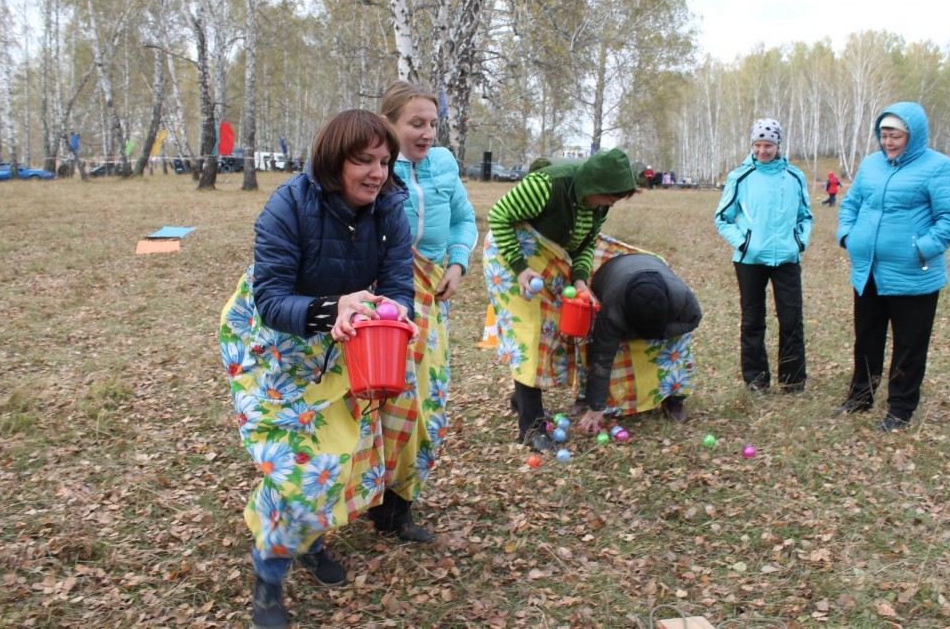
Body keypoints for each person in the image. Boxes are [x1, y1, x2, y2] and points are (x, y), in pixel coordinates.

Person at [218, 109, 416, 629]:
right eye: (364, 161)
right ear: (334, 160)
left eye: (385, 162)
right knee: (296, 469)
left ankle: (308, 542)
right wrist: (334, 308)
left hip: (342, 341)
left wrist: (397, 315)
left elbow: (399, 284)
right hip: (272, 347)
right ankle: (269, 578)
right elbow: (271, 301)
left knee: (337, 455)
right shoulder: (289, 204)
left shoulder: (391, 208)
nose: (377, 173)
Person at [376, 80, 478, 542]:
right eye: (416, 123)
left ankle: (399, 506)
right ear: (389, 124)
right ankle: (366, 495)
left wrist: (457, 262)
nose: (428, 133)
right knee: (384, 397)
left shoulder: (443, 163)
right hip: (384, 297)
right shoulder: (375, 165)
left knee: (425, 399)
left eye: (433, 124)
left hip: (431, 298)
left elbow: (464, 218)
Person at [483, 149, 637, 451]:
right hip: (509, 259)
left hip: (547, 261)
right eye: (608, 197)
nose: (609, 204)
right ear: (594, 185)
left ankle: (521, 398)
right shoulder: (547, 185)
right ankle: (531, 427)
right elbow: (498, 216)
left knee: (551, 331)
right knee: (529, 335)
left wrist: (579, 279)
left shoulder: (597, 206)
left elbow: (587, 243)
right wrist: (519, 267)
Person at [834, 102, 950, 432]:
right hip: (868, 271)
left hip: (913, 275)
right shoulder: (871, 165)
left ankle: (900, 409)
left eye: (895, 135)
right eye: (883, 135)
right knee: (867, 338)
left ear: (913, 135)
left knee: (909, 345)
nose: (888, 142)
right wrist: (849, 235)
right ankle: (860, 396)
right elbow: (851, 204)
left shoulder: (939, 167)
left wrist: (920, 249)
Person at [714, 118, 813, 393]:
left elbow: (805, 216)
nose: (762, 150)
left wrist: (799, 243)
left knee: (792, 320)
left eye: (768, 145)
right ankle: (756, 381)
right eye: (757, 145)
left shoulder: (794, 177)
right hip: (750, 261)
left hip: (787, 260)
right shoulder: (740, 176)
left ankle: (793, 381)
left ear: (778, 145)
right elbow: (722, 218)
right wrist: (745, 244)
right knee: (753, 320)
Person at [574, 250, 703, 429]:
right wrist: (596, 406)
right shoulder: (612, 311)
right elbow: (601, 359)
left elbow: (694, 319)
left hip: (651, 265)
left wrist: (660, 333)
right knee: (595, 339)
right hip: (609, 273)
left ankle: (674, 398)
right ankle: (585, 397)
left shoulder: (681, 297)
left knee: (679, 343)